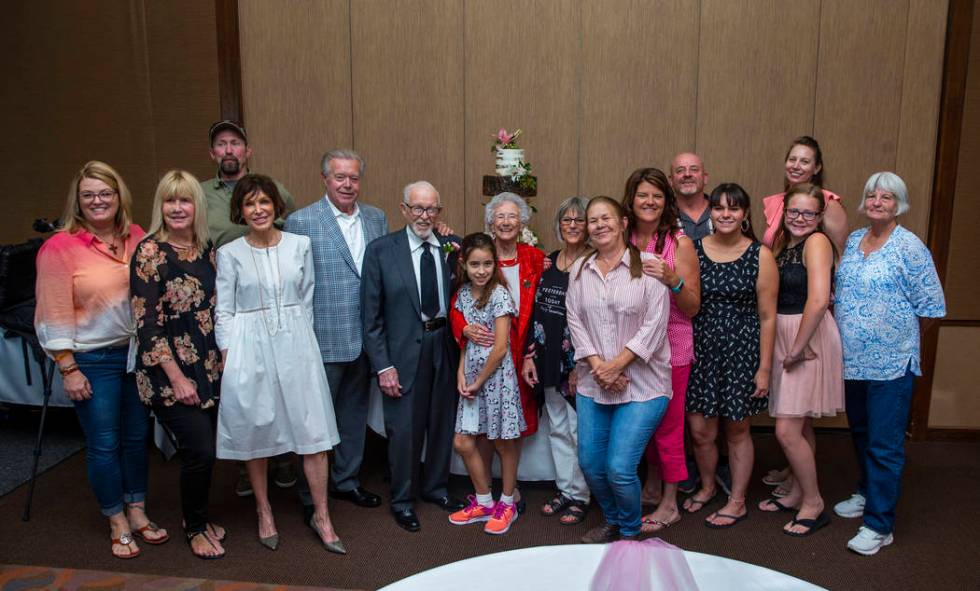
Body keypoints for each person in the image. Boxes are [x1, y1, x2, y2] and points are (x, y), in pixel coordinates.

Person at [35, 161, 166, 559]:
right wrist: (67, 367)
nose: (97, 201)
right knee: (104, 443)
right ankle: (116, 519)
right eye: (89, 194)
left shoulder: (137, 237)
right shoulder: (59, 247)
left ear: (118, 197)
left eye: (105, 193)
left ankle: (138, 509)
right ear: (78, 200)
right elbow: (52, 312)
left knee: (135, 439)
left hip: (135, 356)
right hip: (91, 360)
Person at [215, 174, 345, 554]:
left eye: (264, 202)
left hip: (296, 342)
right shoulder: (229, 254)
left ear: (276, 206)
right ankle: (264, 509)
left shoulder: (300, 245)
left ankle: (322, 515)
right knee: (257, 429)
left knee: (314, 431)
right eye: (249, 203)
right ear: (240, 210)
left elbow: (306, 297)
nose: (258, 210)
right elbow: (224, 310)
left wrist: (300, 340)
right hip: (248, 346)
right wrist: (229, 356)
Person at [833, 172, 945, 556]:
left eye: (887, 197)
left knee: (885, 444)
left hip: (892, 365)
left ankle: (880, 525)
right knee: (861, 434)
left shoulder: (909, 247)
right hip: (853, 362)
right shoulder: (851, 241)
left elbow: (931, 308)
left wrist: (898, 341)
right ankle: (867, 493)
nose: (878, 201)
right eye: (872, 195)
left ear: (899, 204)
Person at [284, 149, 387, 513]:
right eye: (340, 177)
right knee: (313, 420)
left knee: (353, 414)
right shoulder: (301, 221)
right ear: (325, 179)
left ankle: (346, 480)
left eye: (354, 178)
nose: (347, 184)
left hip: (365, 339)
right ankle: (311, 495)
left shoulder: (377, 218)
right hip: (321, 337)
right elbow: (293, 287)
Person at [131, 170, 226, 558]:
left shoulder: (207, 248)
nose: (177, 208)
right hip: (169, 374)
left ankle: (196, 516)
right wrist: (177, 378)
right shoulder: (150, 253)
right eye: (169, 201)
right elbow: (146, 325)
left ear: (196, 205)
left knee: (206, 451)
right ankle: (196, 528)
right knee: (198, 450)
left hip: (207, 368)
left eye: (184, 200)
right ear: (160, 206)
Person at [567, 196, 673, 544]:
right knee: (591, 465)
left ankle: (629, 531)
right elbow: (574, 320)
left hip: (643, 384)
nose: (599, 225)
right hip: (594, 381)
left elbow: (656, 325)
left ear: (624, 222)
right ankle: (613, 519)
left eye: (606, 218)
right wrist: (600, 368)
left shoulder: (650, 265)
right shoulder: (580, 269)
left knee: (619, 468)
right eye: (592, 220)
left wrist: (617, 366)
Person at [200, 119, 298, 496]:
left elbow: (288, 221)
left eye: (235, 143)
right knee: (244, 390)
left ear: (247, 151)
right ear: (213, 153)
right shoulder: (202, 193)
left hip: (271, 297)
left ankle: (284, 459)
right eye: (221, 144)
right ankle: (246, 464)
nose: (228, 150)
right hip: (230, 299)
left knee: (278, 383)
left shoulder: (269, 188)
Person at [360, 181, 464, 533]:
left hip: (444, 347)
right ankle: (402, 500)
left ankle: (435, 487)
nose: (424, 215)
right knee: (404, 430)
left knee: (441, 422)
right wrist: (383, 365)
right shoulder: (381, 251)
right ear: (403, 209)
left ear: (440, 211)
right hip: (401, 353)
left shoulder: (453, 248)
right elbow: (370, 317)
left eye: (431, 209)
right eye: (417, 208)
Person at [683, 183, 778, 529]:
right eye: (719, 208)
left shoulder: (760, 255)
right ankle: (708, 486)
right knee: (700, 431)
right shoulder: (691, 250)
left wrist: (764, 369)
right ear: (711, 213)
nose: (725, 214)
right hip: (701, 352)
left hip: (742, 354)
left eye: (733, 209)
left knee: (737, 429)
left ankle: (737, 500)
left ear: (744, 214)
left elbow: (768, 316)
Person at [757, 183, 844, 537]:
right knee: (801, 422)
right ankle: (795, 492)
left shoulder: (817, 243)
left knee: (786, 429)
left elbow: (819, 299)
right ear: (784, 212)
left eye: (809, 213)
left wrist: (797, 346)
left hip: (806, 337)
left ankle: (814, 502)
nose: (800, 218)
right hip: (784, 333)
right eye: (794, 211)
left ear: (820, 216)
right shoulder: (783, 244)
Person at [450, 192, 545, 504]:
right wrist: (463, 328)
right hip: (485, 355)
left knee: (509, 427)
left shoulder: (533, 257)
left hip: (517, 355)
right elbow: (457, 307)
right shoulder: (480, 262)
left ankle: (508, 490)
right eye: (499, 216)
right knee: (484, 426)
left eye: (512, 216)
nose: (506, 222)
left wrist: (532, 352)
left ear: (522, 222)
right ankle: (489, 492)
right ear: (490, 222)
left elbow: (543, 308)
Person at [620, 169, 701, 533]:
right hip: (632, 347)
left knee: (669, 426)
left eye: (656, 195)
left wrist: (673, 279)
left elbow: (693, 305)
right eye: (642, 195)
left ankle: (670, 503)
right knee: (644, 424)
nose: (649, 202)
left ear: (666, 201)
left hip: (671, 346)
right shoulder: (623, 238)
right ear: (631, 200)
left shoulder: (678, 243)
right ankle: (652, 485)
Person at [448, 233, 525, 535]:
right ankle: (484, 501)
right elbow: (465, 342)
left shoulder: (500, 295)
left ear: (495, 265)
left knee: (503, 443)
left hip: (496, 379)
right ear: (464, 265)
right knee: (463, 442)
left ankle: (507, 503)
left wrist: (479, 381)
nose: (481, 270)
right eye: (475, 264)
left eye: (488, 264)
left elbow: (501, 348)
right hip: (472, 378)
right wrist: (460, 373)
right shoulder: (463, 294)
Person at [521, 197, 591, 525]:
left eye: (580, 220)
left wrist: (581, 365)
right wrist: (531, 356)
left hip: (581, 363)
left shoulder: (594, 263)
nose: (573, 225)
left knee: (579, 432)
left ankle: (583, 495)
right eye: (567, 220)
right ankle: (566, 489)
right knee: (558, 429)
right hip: (549, 358)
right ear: (559, 225)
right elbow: (537, 313)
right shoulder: (549, 261)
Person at [763, 136, 848, 252]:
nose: (796, 166)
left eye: (805, 161)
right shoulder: (776, 203)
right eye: (792, 159)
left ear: (816, 168)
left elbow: (840, 254)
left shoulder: (828, 203)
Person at [669, 152, 712, 240]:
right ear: (671, 180)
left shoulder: (723, 211)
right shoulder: (662, 214)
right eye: (680, 170)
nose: (687, 174)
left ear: (705, 178)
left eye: (694, 169)